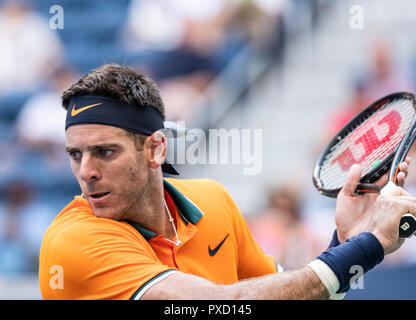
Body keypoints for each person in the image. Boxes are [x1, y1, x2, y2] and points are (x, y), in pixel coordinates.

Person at [39, 64, 416, 300]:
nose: (85, 171)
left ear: (155, 150)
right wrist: (371, 244)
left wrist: (347, 241)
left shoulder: (213, 199)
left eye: (105, 152)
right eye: (76, 154)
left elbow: (296, 295)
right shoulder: (73, 241)